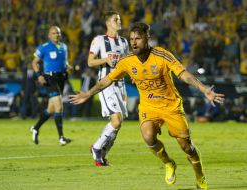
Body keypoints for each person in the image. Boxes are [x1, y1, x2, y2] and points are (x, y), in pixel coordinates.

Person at [69, 23, 225, 189]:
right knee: (148, 137)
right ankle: (168, 163)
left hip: (170, 105)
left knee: (186, 146)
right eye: (131, 39)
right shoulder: (127, 61)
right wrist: (87, 93)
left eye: (138, 38)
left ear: (147, 38)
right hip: (148, 106)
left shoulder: (162, 55)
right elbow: (106, 81)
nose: (134, 42)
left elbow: (184, 74)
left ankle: (199, 174)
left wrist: (204, 89)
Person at [87, 11, 129, 166]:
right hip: (107, 84)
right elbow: (90, 62)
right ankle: (96, 147)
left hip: (121, 85)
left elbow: (126, 63)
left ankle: (102, 156)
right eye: (115, 19)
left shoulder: (124, 42)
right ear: (107, 23)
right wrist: (106, 60)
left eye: (119, 18)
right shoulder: (99, 40)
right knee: (116, 121)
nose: (119, 21)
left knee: (118, 125)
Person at [30, 26, 71, 146]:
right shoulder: (44, 48)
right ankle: (61, 138)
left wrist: (68, 67)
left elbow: (65, 61)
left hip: (61, 78)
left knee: (51, 109)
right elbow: (34, 62)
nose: (56, 35)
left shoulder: (64, 47)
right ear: (49, 35)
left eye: (58, 33)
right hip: (49, 78)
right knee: (59, 107)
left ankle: (36, 128)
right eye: (53, 33)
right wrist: (39, 75)